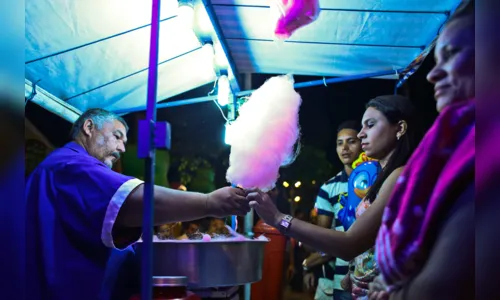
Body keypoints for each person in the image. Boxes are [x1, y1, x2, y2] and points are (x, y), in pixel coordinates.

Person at [25, 108, 250, 300]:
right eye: (117, 136)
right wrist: (209, 202)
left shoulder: (62, 165)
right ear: (89, 127)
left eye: (124, 140)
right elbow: (135, 201)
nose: (122, 148)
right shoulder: (71, 165)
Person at [247, 94, 420, 300]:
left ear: (400, 128)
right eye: (362, 126)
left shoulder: (400, 175)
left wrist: (278, 219)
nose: (362, 134)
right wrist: (354, 271)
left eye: (370, 125)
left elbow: (351, 243)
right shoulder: (377, 177)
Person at [368, 3, 475, 299]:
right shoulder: (452, 146)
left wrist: (398, 293)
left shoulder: (482, 147)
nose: (432, 75)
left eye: (451, 54)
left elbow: (444, 282)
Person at [303, 120, 362, 300]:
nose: (344, 147)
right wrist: (312, 264)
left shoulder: (378, 180)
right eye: (339, 143)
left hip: (373, 275)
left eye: (351, 141)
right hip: (340, 276)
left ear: (363, 142)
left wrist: (309, 263)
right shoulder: (328, 188)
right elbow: (323, 238)